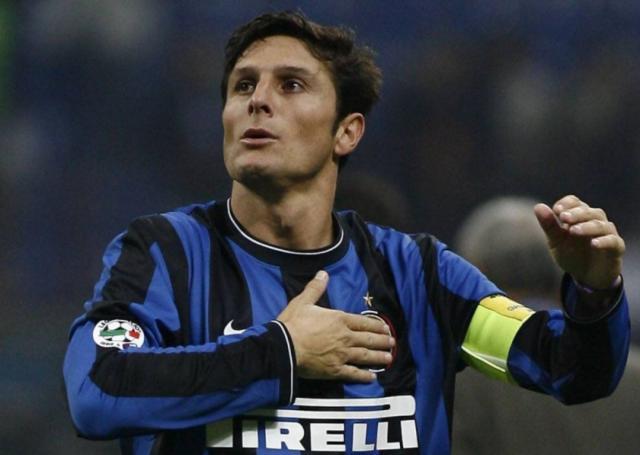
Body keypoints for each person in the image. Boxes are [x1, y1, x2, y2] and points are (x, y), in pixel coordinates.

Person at [63, 11, 630, 455]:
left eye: (291, 85)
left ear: (347, 132)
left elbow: (569, 368)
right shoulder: (164, 255)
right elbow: (96, 390)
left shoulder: (420, 275)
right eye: (242, 86)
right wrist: (282, 353)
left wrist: (595, 293)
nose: (258, 100)